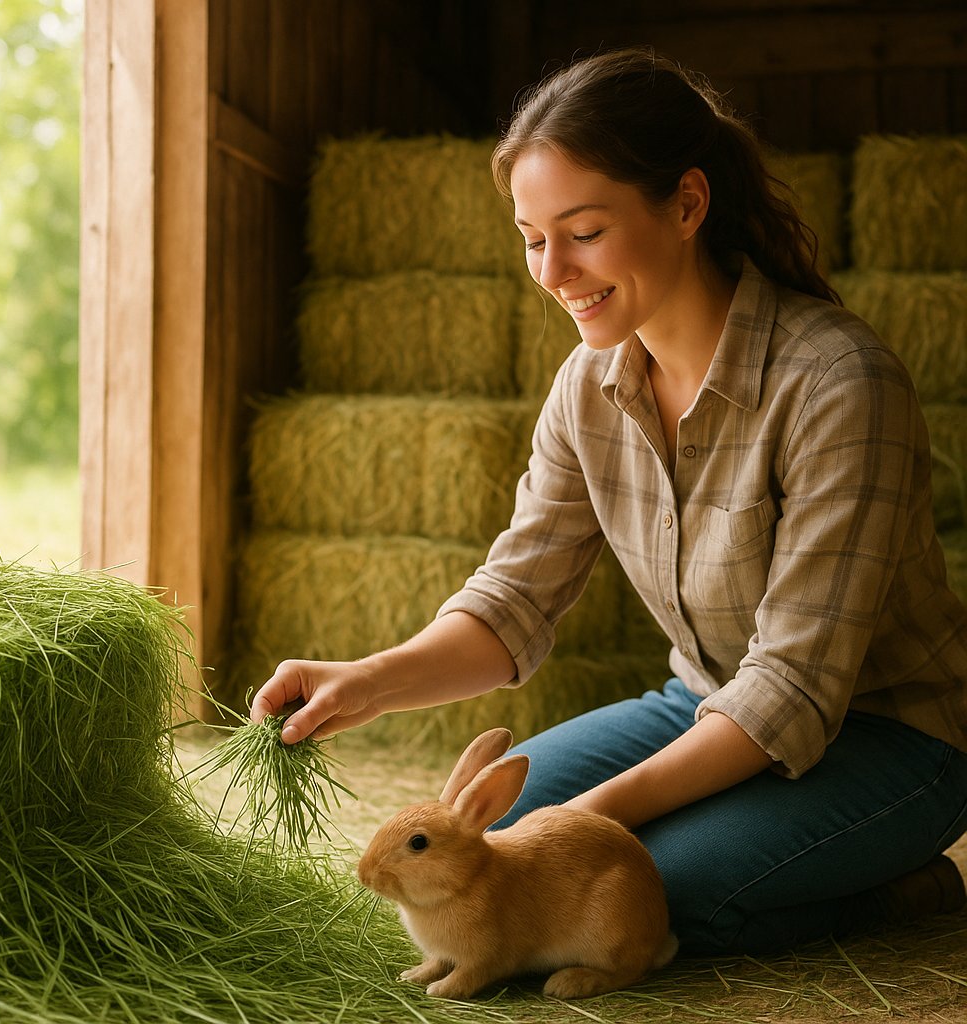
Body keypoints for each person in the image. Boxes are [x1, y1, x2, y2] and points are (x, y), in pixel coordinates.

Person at [252, 48, 967, 955]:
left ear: (686, 205)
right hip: (700, 702)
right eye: (531, 237)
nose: (552, 272)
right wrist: (366, 682)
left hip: (893, 738)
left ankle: (900, 890)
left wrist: (578, 832)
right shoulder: (588, 386)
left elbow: (789, 690)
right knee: (489, 864)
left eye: (582, 231)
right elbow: (514, 600)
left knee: (626, 895)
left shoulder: (837, 383)